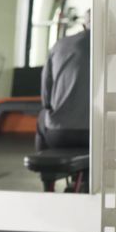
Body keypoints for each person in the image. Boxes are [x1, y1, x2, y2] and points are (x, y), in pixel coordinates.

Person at [36, 16, 90, 152]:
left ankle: (46, 169)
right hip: (101, 132)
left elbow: (46, 95)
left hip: (58, 133)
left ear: (84, 25)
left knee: (43, 115)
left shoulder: (60, 44)